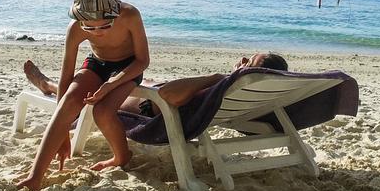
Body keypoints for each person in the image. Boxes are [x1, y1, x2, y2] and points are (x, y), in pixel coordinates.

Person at [15, 0, 150, 191]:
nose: (98, 32)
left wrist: (111, 84)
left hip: (128, 67)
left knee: (103, 112)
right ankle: (35, 175)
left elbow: (143, 61)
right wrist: (63, 135)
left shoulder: (130, 15)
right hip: (98, 63)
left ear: (114, 12)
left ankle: (121, 156)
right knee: (69, 100)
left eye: (105, 25)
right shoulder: (75, 28)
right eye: (90, 28)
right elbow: (66, 75)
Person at [22, 51, 288, 135]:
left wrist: (216, 77)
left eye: (247, 61)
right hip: (155, 93)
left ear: (247, 74)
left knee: (89, 94)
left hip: (147, 106)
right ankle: (54, 84)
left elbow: (169, 96)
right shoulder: (251, 94)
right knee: (124, 78)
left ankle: (50, 86)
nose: (240, 59)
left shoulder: (221, 83)